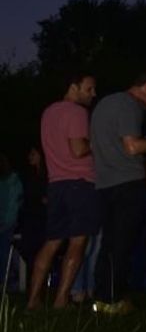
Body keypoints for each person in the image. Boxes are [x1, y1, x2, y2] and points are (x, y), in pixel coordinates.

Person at [90, 73, 146, 314]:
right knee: (123, 244)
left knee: (109, 243)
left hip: (104, 184)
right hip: (127, 184)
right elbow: (132, 147)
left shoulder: (105, 103)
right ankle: (114, 300)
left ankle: (101, 298)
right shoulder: (129, 105)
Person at [27, 72, 99, 309]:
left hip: (56, 184)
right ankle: (61, 300)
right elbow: (78, 149)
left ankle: (33, 300)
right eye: (88, 89)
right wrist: (99, 143)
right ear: (73, 87)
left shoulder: (48, 112)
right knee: (77, 243)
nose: (93, 94)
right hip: (79, 184)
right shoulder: (77, 112)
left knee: (51, 243)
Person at [16, 147, 47, 284]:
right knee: (30, 250)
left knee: (42, 250)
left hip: (43, 219)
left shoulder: (47, 174)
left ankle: (40, 283)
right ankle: (32, 284)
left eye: (33, 153)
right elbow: (28, 195)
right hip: (31, 218)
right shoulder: (28, 175)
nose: (30, 156)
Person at [0, 154, 22, 286]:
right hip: (4, 223)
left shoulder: (15, 181)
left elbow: (14, 205)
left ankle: (5, 282)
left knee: (4, 252)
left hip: (9, 224)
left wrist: (6, 223)